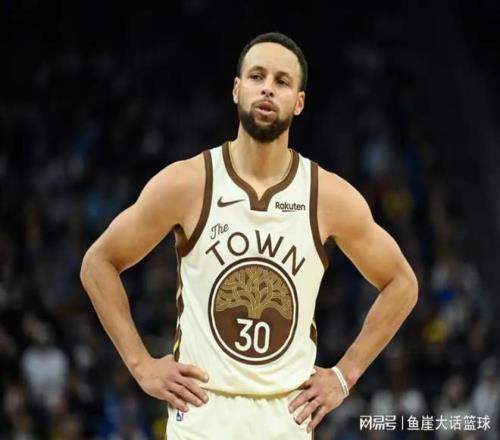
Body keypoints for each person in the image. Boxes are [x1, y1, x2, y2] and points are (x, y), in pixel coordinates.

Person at [80, 32, 418, 439]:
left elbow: (402, 283)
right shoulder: (188, 183)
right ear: (237, 90)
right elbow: (98, 263)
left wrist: (344, 376)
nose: (267, 88)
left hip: (285, 418)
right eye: (257, 77)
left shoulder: (328, 196)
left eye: (282, 81)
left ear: (299, 102)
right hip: (202, 415)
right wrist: (141, 365)